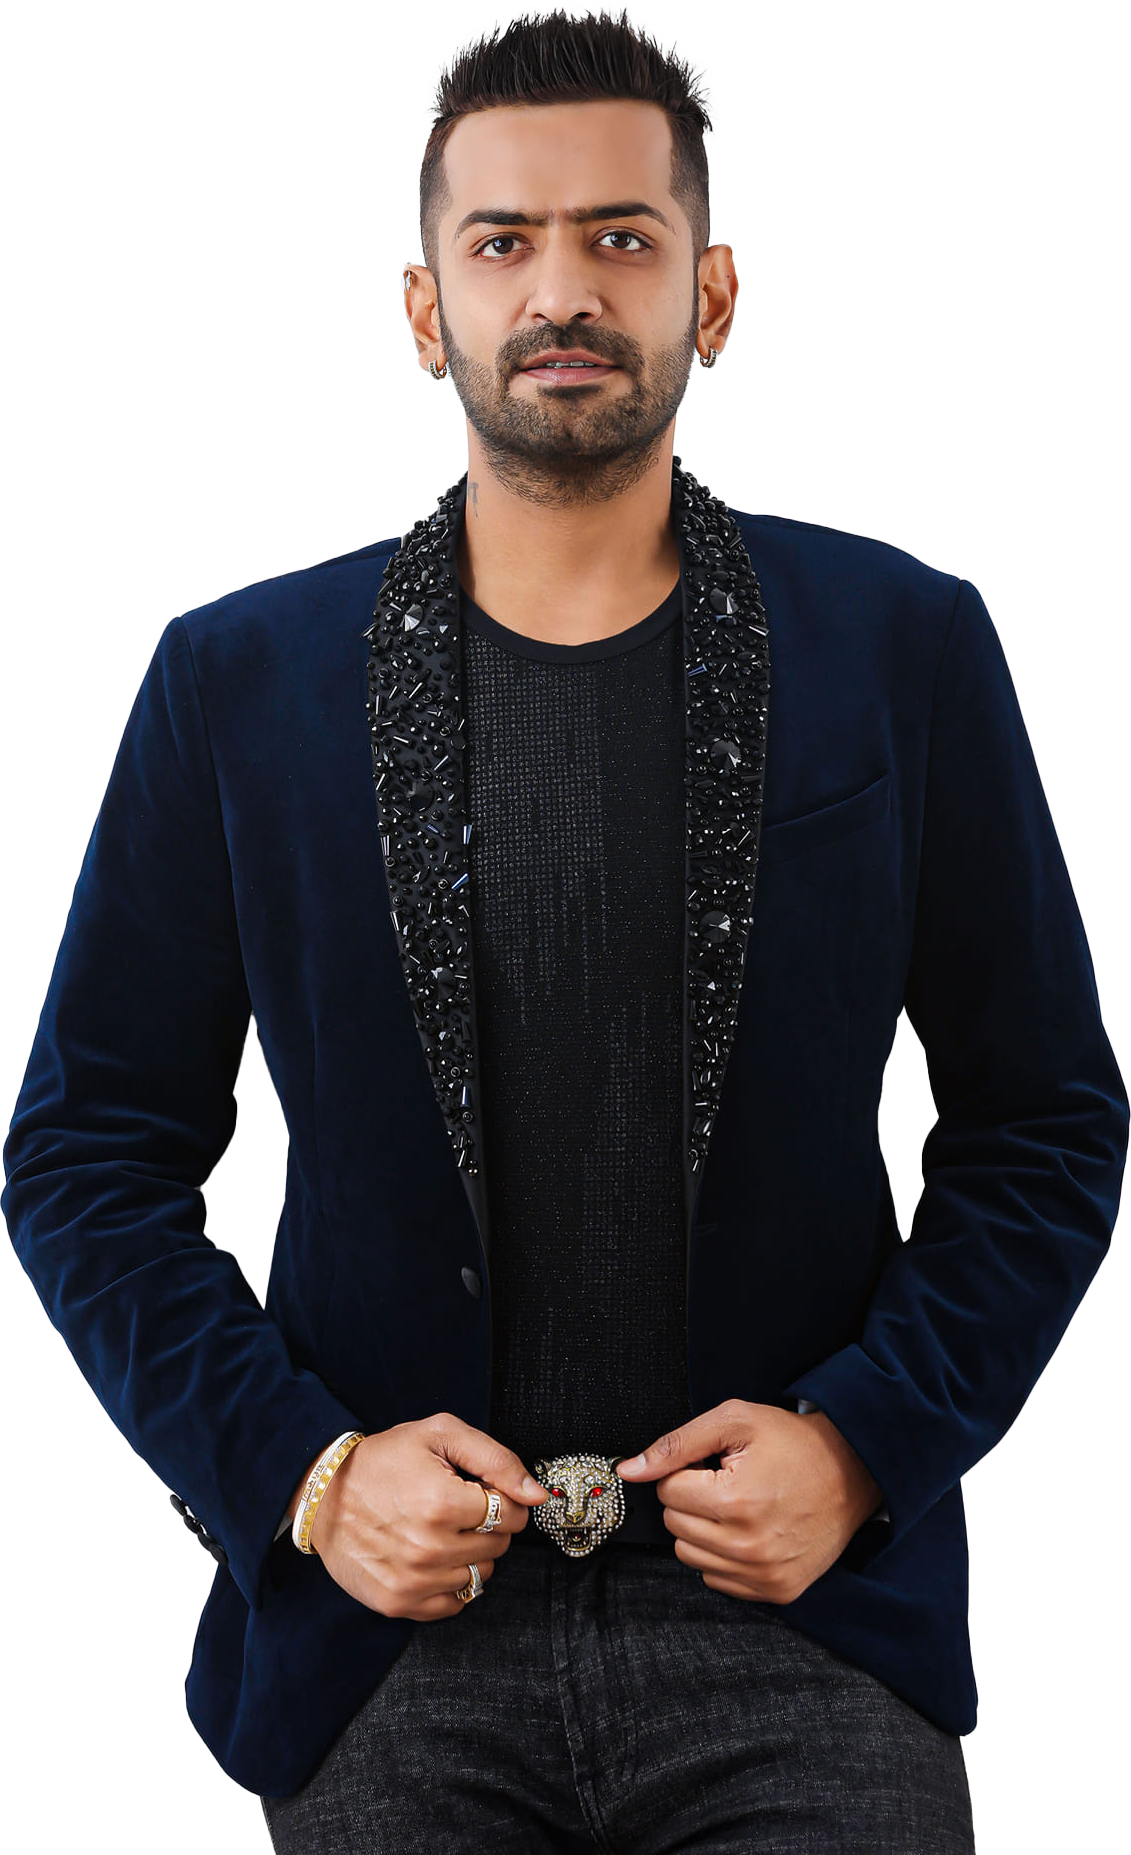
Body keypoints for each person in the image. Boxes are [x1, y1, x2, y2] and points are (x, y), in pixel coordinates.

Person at [3, 8, 1126, 1850]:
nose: (561, 291)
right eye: (501, 241)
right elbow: (82, 1156)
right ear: (423, 304)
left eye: (620, 235)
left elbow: (1047, 1120)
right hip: (389, 1638)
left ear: (711, 289)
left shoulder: (899, 647)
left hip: (797, 1625)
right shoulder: (238, 684)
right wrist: (306, 1476)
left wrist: (862, 1444)